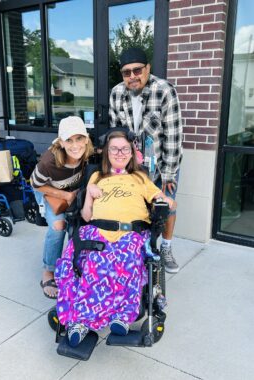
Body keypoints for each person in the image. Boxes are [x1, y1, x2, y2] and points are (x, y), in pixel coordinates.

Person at [54, 128, 176, 347]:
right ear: (107, 153)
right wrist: (89, 194)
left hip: (131, 233)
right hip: (97, 230)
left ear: (131, 153)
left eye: (124, 149)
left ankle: (121, 315)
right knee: (91, 263)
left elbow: (163, 199)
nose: (119, 153)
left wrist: (165, 202)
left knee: (126, 261)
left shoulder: (140, 177)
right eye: (114, 149)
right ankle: (81, 321)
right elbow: (86, 216)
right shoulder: (97, 176)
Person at [109, 47, 183, 274]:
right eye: (126, 72)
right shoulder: (116, 93)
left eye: (137, 70)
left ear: (147, 68)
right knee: (136, 208)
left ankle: (166, 248)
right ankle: (141, 249)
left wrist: (169, 174)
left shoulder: (164, 90)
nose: (132, 76)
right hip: (133, 167)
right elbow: (116, 134)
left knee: (165, 206)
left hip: (162, 164)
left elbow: (173, 135)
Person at [30, 116, 94, 299]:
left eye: (79, 138)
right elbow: (35, 184)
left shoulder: (89, 153)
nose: (75, 145)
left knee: (83, 224)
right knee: (59, 226)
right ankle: (48, 272)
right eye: (69, 140)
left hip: (73, 191)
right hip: (49, 191)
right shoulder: (48, 162)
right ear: (61, 142)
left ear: (86, 138)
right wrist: (65, 195)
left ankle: (74, 265)